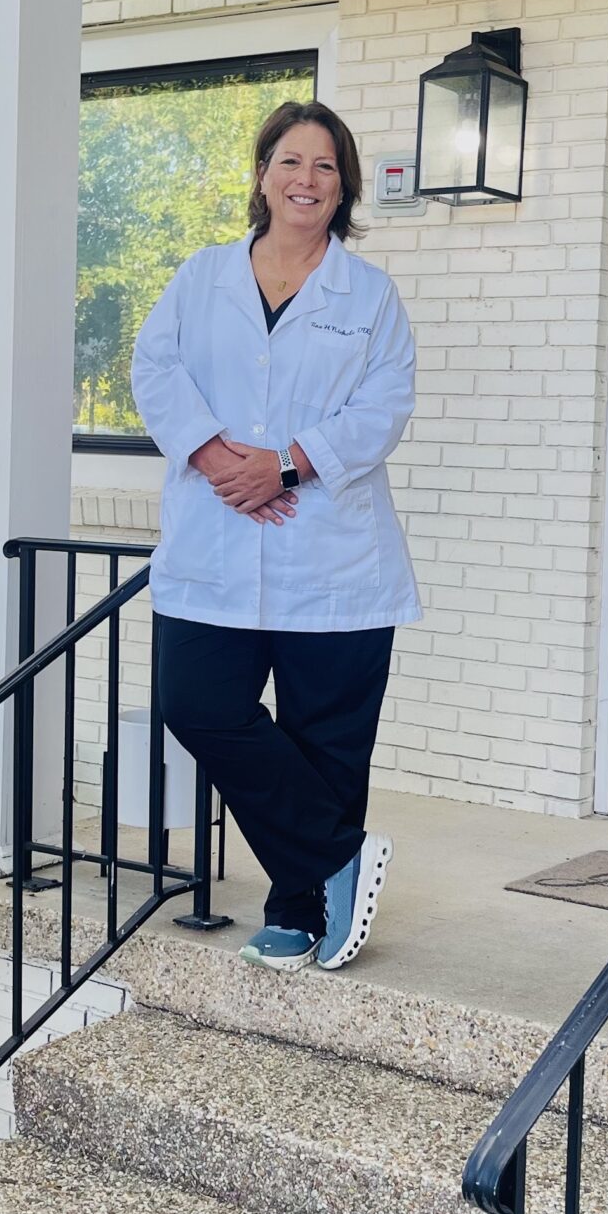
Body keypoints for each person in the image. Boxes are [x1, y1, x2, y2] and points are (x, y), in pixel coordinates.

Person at [130, 99, 420, 971]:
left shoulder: (367, 295)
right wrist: (221, 459)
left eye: (326, 168)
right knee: (199, 706)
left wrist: (284, 464)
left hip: (331, 554)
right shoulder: (202, 275)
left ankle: (297, 914)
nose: (307, 180)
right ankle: (338, 855)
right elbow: (154, 367)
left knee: (327, 738)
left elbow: (384, 410)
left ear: (345, 188)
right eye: (292, 162)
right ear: (262, 175)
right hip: (214, 543)